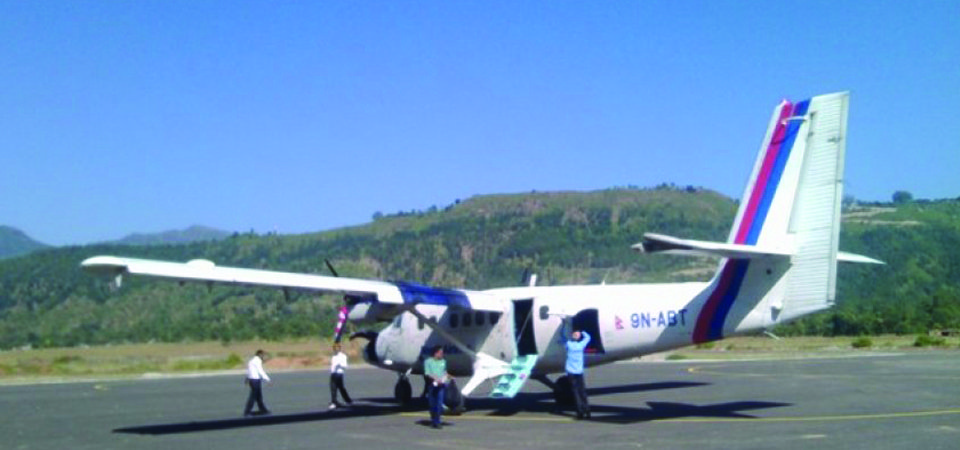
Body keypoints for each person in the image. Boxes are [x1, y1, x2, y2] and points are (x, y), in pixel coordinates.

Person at [563, 326, 592, 419]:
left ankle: (580, 412)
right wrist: (582, 331)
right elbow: (588, 337)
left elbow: (563, 336)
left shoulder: (568, 344)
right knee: (582, 391)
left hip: (571, 371)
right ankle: (587, 410)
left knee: (575, 392)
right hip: (579, 371)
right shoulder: (581, 345)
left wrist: (564, 326)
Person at [423, 346, 450, 429]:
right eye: (440, 353)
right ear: (435, 353)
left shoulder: (443, 361)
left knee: (439, 403)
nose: (442, 354)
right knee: (432, 404)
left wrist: (448, 376)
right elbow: (427, 373)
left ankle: (437, 421)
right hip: (432, 384)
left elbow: (444, 372)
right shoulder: (428, 362)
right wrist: (435, 378)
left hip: (441, 385)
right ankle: (433, 419)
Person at [243, 349, 271, 417]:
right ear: (260, 354)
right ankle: (247, 412)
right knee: (253, 397)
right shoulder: (257, 361)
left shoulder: (251, 361)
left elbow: (249, 371)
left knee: (258, 397)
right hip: (255, 380)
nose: (263, 356)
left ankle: (263, 410)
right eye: (263, 355)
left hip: (252, 380)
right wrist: (267, 379)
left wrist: (247, 379)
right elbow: (260, 371)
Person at [328, 343, 353, 409]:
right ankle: (343, 401)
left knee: (338, 388)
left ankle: (337, 402)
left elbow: (345, 365)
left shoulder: (343, 356)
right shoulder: (333, 356)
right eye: (334, 348)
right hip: (333, 373)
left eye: (337, 348)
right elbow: (332, 365)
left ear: (339, 348)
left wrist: (339, 365)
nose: (335, 349)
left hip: (339, 374)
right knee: (335, 388)